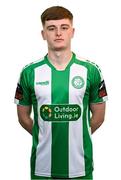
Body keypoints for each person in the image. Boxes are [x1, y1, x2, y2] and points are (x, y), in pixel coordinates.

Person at [14, 6, 108, 180]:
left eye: (64, 27)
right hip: (42, 168)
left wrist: (77, 134)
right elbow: (23, 118)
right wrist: (44, 133)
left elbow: (99, 117)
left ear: (72, 32)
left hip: (80, 167)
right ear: (43, 34)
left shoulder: (91, 70)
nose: (58, 33)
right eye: (51, 28)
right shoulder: (29, 72)